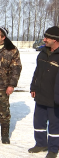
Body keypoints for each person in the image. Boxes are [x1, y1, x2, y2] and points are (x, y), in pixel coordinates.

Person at [29, 26, 59, 158]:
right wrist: (33, 87)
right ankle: (41, 143)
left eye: (47, 37)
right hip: (40, 94)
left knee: (54, 125)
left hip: (55, 97)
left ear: (55, 39)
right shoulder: (42, 53)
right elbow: (37, 72)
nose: (44, 39)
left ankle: (53, 149)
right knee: (39, 122)